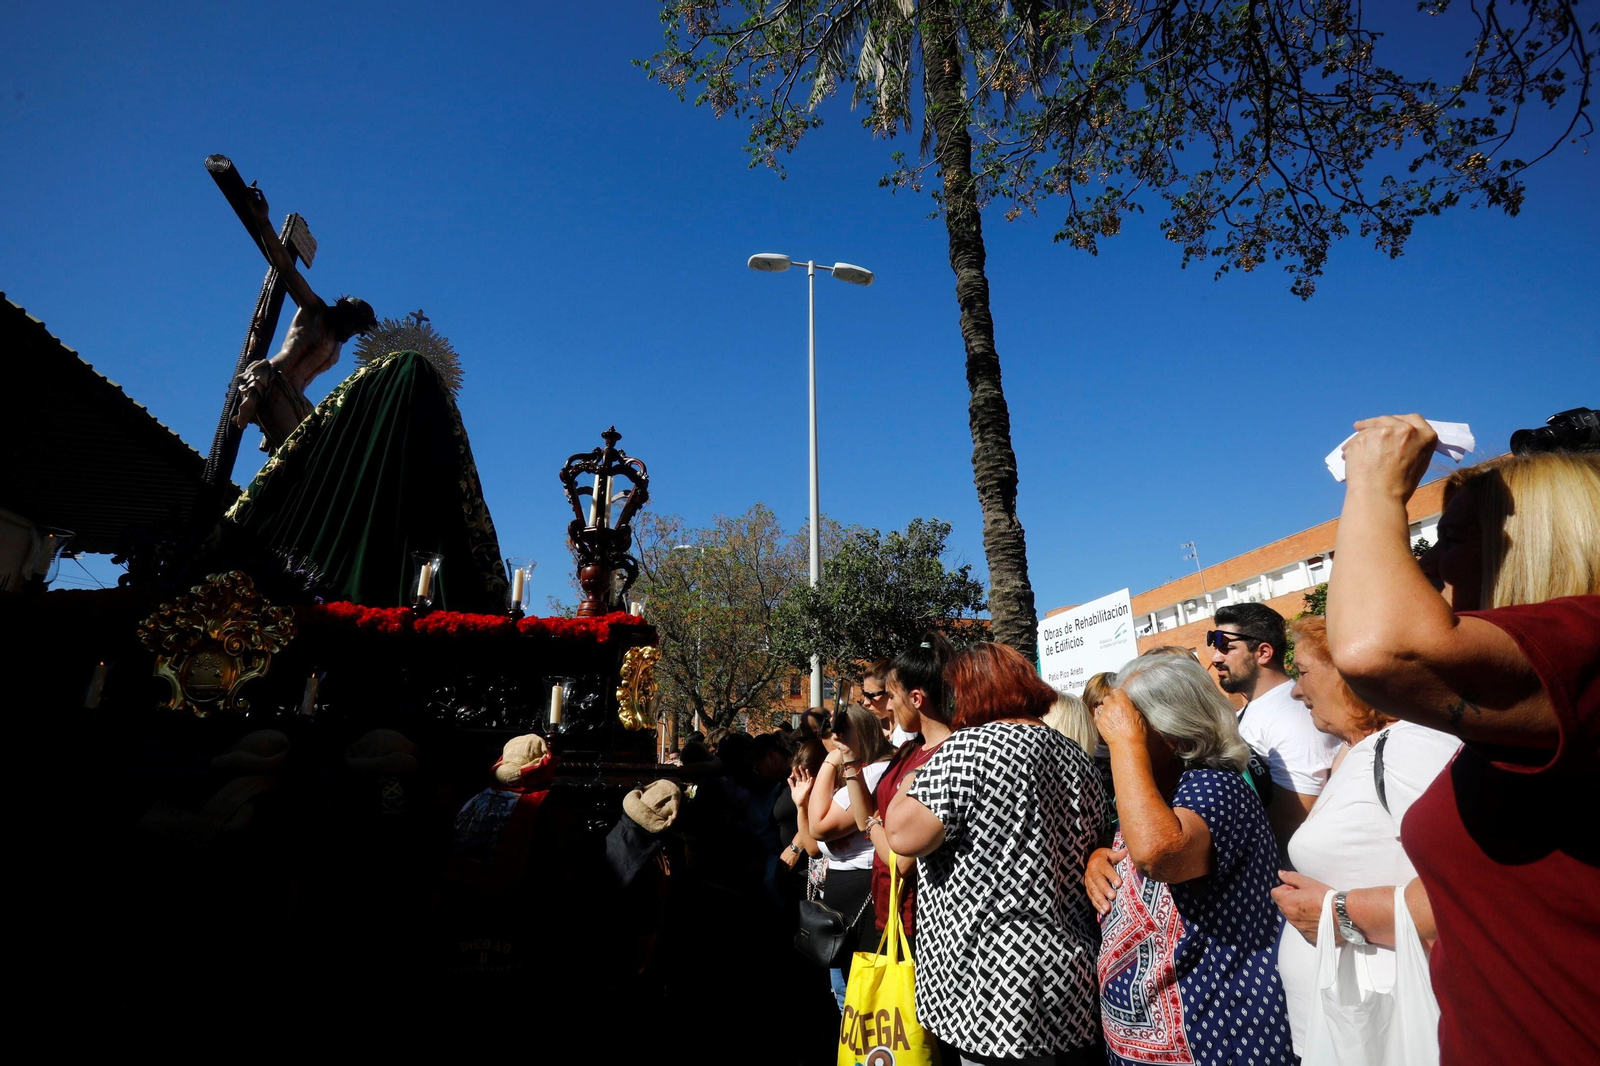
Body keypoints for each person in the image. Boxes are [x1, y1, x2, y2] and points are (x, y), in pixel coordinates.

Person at [1324, 417, 1600, 1065]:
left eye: (1449, 539)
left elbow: (1378, 649)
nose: (1423, 562)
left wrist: (1376, 485)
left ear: (1532, 544)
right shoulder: (1528, 701)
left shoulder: (1588, 643)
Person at [887, 642, 1108, 1065]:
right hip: (1066, 968)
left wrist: (915, 774)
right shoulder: (1074, 755)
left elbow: (902, 837)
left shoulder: (968, 749)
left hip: (989, 978)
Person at [1085, 652, 1292, 1066]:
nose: (1111, 740)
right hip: (1149, 1041)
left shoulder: (1215, 785)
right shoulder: (1156, 792)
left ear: (1174, 733)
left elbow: (1160, 854)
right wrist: (1100, 857)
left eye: (1129, 722)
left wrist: (1126, 743)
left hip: (1217, 1033)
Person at [1268, 615, 1460, 1059]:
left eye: (1303, 672)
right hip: (1353, 1027)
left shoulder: (1411, 747)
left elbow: (1473, 890)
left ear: (1351, 672)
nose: (1296, 691)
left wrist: (1341, 914)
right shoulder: (1356, 752)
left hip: (1397, 1028)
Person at [838, 635, 955, 958]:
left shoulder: (946, 757)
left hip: (916, 921)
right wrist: (849, 758)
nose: (887, 706)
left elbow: (902, 860)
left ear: (916, 698)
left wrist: (875, 825)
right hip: (887, 910)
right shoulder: (909, 750)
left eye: (891, 696)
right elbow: (867, 818)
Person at [1208, 602, 1341, 850]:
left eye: (1226, 648)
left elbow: (1296, 815)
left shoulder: (1294, 714)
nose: (1215, 658)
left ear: (1263, 653)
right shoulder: (1250, 710)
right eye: (1216, 648)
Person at [804, 703, 896, 1009]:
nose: (833, 740)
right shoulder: (865, 772)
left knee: (856, 999)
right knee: (844, 993)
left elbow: (819, 827)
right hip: (847, 892)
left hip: (860, 893)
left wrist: (831, 761)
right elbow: (815, 843)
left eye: (840, 732)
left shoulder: (871, 773)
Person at [860, 659, 915, 746]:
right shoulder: (894, 732)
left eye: (871, 695)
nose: (866, 703)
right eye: (864, 694)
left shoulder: (904, 733)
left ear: (890, 693)